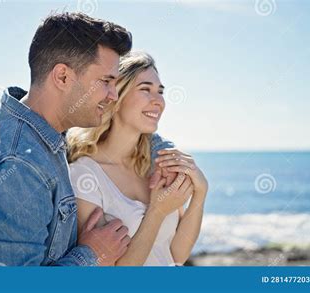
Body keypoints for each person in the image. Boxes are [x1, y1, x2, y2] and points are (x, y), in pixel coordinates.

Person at [0, 12, 174, 266]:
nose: (113, 95)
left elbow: (125, 130)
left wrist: (162, 151)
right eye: (106, 81)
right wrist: (91, 254)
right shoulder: (15, 167)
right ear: (62, 77)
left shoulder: (42, 129)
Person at [68, 51, 208, 266]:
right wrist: (157, 211)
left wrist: (201, 192)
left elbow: (176, 255)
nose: (158, 101)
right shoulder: (84, 175)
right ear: (117, 96)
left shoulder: (155, 166)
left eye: (160, 92)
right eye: (145, 90)